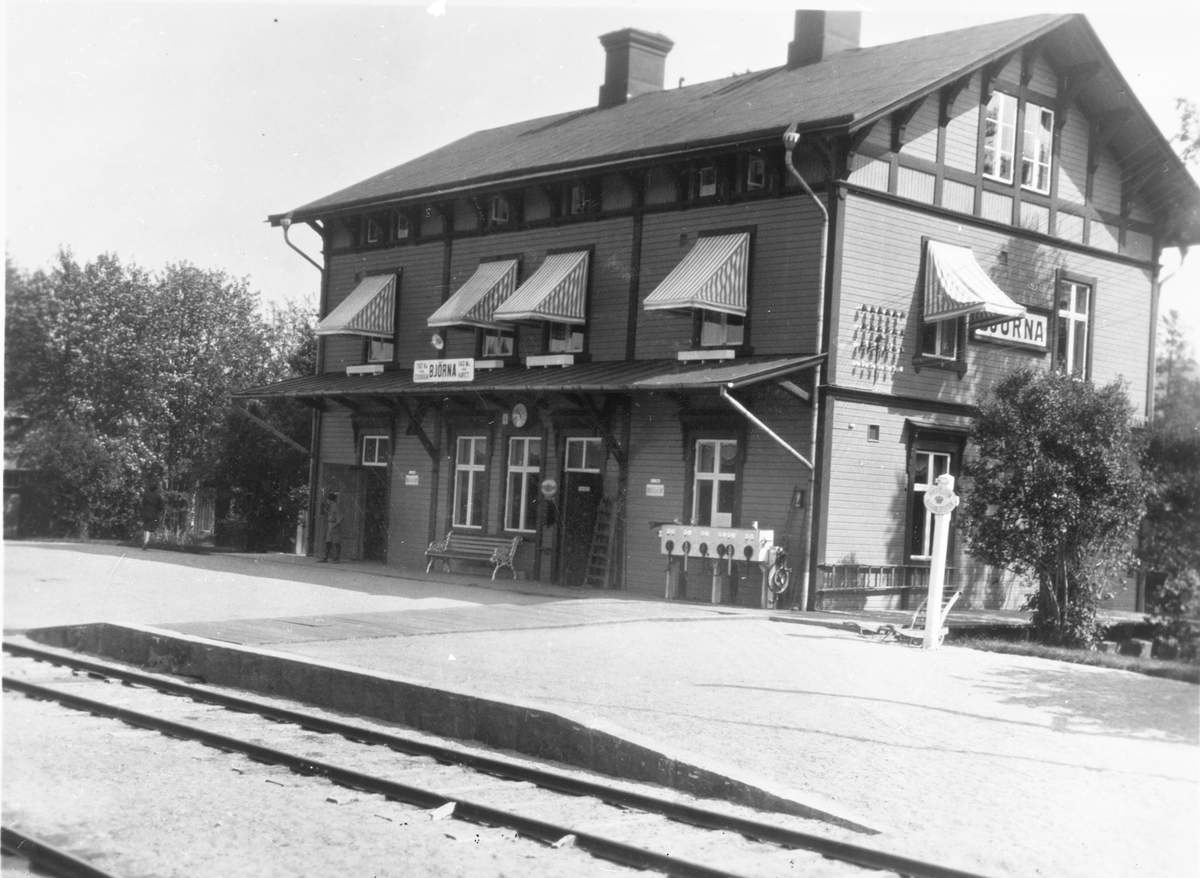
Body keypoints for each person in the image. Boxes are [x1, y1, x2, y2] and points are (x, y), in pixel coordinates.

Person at [319, 491, 343, 563]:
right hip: (330, 525)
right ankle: (325, 558)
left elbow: (340, 518)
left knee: (336, 542)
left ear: (331, 500)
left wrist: (334, 526)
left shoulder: (336, 507)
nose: (327, 501)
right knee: (328, 541)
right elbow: (332, 515)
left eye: (328, 499)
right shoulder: (331, 507)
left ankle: (336, 559)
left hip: (334, 526)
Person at [140, 481, 164, 549]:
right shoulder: (157, 497)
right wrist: (159, 510)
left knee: (145, 526)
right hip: (153, 513)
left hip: (145, 512)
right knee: (149, 527)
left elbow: (143, 503)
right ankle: (146, 541)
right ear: (156, 489)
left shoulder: (146, 495)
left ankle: (145, 541)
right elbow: (161, 506)